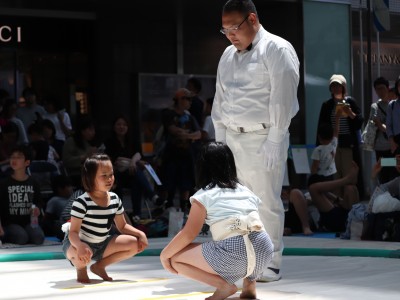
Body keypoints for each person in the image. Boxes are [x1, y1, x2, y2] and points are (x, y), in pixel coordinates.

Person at [211, 0, 299, 282]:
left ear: (252, 19)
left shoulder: (277, 48)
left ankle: (270, 261)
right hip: (232, 137)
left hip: (264, 136)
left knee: (265, 201)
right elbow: (220, 99)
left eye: (234, 28)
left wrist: (276, 137)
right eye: (225, 30)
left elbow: (283, 96)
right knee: (235, 203)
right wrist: (219, 144)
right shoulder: (227, 54)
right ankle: (243, 259)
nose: (230, 35)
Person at [160, 142, 273, 300]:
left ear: (202, 167)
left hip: (232, 254)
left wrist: (164, 255)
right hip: (265, 251)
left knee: (175, 257)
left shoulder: (204, 196)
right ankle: (249, 285)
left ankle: (224, 286)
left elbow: (188, 234)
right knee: (248, 237)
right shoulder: (245, 190)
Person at [61, 153, 148, 283]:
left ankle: (99, 266)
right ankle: (81, 269)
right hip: (77, 243)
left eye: (111, 174)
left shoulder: (114, 198)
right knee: (79, 259)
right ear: (90, 178)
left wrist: (140, 234)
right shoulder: (82, 201)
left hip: (102, 243)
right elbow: (73, 232)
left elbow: (122, 226)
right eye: (104, 175)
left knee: (134, 244)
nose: (109, 179)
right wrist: (79, 245)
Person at [104, 114, 163, 218]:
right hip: (117, 175)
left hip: (131, 174)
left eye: (124, 125)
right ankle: (152, 196)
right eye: (119, 124)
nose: (121, 127)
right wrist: (134, 161)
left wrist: (132, 163)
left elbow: (141, 157)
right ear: (114, 126)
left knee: (136, 179)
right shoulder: (109, 142)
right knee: (136, 173)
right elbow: (116, 161)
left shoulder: (133, 140)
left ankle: (137, 215)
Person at [317, 74, 364, 199]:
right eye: (333, 86)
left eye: (338, 86)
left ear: (344, 87)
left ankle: (351, 204)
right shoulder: (327, 105)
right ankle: (337, 204)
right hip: (333, 146)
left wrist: (350, 113)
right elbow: (321, 127)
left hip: (348, 145)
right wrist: (321, 148)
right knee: (335, 177)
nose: (336, 89)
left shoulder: (350, 102)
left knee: (349, 176)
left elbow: (359, 122)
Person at [161, 88, 201, 211]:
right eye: (188, 99)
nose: (190, 102)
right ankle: (166, 207)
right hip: (171, 155)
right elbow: (173, 130)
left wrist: (187, 135)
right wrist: (189, 134)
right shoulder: (168, 113)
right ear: (180, 99)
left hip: (187, 155)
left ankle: (184, 207)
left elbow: (198, 133)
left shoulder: (189, 117)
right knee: (169, 183)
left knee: (186, 183)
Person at [0, 145, 45, 245]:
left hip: (29, 221)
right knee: (21, 237)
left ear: (27, 162)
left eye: (19, 157)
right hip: (9, 222)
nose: (14, 159)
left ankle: (26, 233)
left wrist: (37, 208)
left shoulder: (33, 182)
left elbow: (38, 201)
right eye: (12, 157)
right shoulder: (4, 183)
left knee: (38, 238)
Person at [308, 161, 360, 233]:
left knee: (350, 188)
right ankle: (347, 179)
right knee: (313, 188)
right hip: (333, 220)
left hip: (346, 217)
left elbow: (341, 202)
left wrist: (333, 197)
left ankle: (356, 224)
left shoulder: (329, 195)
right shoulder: (311, 194)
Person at [368, 77, 397, 183]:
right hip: (381, 148)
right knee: (384, 175)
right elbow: (376, 125)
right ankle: (385, 197)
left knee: (394, 174)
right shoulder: (375, 107)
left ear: (387, 88)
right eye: (377, 89)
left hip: (394, 147)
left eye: (382, 88)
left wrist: (380, 124)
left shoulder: (394, 105)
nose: (380, 91)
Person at [62, 115, 98, 187]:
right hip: (76, 175)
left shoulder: (89, 143)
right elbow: (66, 161)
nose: (93, 132)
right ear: (82, 130)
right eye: (90, 129)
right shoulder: (71, 141)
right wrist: (84, 157)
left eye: (94, 130)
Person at [41, 174, 74, 240]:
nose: (71, 189)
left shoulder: (75, 198)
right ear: (60, 189)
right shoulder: (55, 200)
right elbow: (46, 219)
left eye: (70, 186)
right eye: (68, 186)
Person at [386, 77, 400, 155]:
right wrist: (392, 142)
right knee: (394, 163)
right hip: (397, 141)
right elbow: (389, 125)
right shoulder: (392, 104)